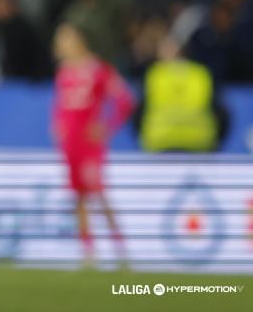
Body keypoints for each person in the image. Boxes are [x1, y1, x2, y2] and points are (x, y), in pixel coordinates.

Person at [51, 23, 135, 268]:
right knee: (78, 197)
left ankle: (120, 248)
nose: (59, 44)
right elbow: (61, 105)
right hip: (70, 144)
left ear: (78, 40)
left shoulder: (98, 70)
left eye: (64, 38)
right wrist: (58, 125)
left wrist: (106, 127)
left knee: (97, 194)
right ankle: (88, 252)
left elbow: (125, 101)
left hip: (90, 144)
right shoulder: (64, 71)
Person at [134, 36, 229, 152]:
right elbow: (220, 112)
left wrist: (143, 138)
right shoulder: (201, 74)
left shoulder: (154, 75)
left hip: (160, 142)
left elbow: (138, 113)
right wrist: (216, 140)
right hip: (199, 142)